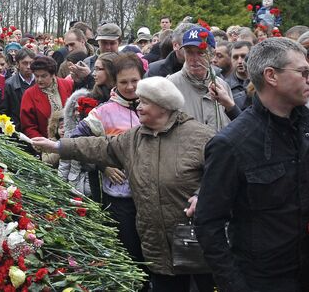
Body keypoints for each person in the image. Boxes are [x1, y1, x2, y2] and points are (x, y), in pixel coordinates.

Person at [31, 76, 215, 292]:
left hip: (197, 246)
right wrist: (58, 146)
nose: (138, 105)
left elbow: (224, 175)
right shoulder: (135, 138)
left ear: (163, 107)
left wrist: (202, 194)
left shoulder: (199, 136)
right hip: (157, 248)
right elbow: (100, 147)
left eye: (145, 102)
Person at [195, 38, 309, 292]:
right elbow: (208, 224)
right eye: (303, 72)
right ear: (271, 76)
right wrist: (234, 284)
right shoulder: (232, 144)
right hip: (261, 280)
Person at [62, 54, 145, 268]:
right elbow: (76, 141)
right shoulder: (103, 112)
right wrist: (103, 164)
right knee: (130, 257)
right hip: (121, 197)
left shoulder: (154, 106)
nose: (129, 87)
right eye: (123, 82)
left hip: (150, 196)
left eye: (134, 81)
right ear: (114, 82)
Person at [167, 26, 239, 130]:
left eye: (201, 52)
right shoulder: (171, 85)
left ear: (212, 54)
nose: (194, 59)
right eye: (189, 52)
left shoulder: (222, 86)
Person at [20, 56, 74, 138]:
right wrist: (42, 144)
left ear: (52, 75)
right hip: (45, 143)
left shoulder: (68, 85)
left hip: (70, 140)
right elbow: (28, 126)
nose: (39, 80)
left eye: (43, 76)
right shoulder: (29, 94)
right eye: (36, 76)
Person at [0, 47, 36, 128]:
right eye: (25, 63)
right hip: (18, 130)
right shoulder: (9, 85)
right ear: (18, 64)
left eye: (31, 63)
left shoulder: (40, 82)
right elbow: (2, 111)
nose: (28, 66)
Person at [225, 41, 252, 110]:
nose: (240, 61)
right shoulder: (225, 86)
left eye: (243, 56)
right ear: (230, 59)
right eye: (235, 57)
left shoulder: (261, 83)